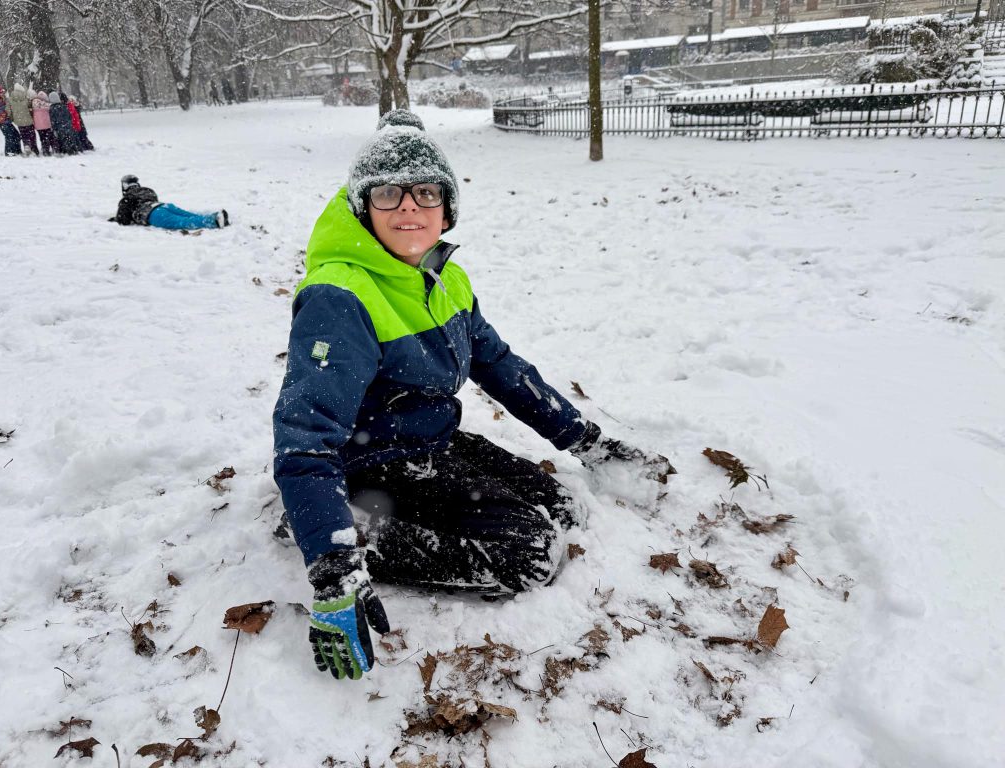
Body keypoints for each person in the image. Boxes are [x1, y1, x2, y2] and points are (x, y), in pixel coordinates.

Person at [272, 110, 674, 681]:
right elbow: (304, 436)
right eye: (387, 194)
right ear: (363, 207)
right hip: (368, 463)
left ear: (447, 207)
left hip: (429, 442)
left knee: (564, 507)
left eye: (426, 192)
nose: (409, 207)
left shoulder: (444, 278)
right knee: (532, 553)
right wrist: (333, 566)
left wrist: (586, 441)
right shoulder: (340, 296)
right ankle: (341, 529)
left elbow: (500, 366)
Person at [110, 174, 230, 231]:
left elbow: (123, 220)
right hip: (164, 206)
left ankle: (213, 221)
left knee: (182, 222)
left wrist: (116, 219)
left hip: (153, 214)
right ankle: (215, 216)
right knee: (189, 215)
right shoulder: (148, 190)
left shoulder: (127, 199)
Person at [0, 84, 21, 156]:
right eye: (1, 91)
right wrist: (4, 100)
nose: (2, 92)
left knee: (16, 135)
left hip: (6, 120)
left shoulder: (0, 97)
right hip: (2, 121)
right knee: (9, 136)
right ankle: (9, 152)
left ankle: (17, 150)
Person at [9, 84, 38, 155]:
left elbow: (9, 111)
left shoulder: (11, 99)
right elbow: (30, 107)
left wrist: (12, 118)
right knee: (32, 135)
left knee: (24, 135)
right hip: (28, 120)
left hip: (19, 121)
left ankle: (26, 145)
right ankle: (34, 149)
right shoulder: (25, 97)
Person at [31, 90, 58, 156]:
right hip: (47, 124)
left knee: (42, 138)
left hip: (38, 126)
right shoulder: (46, 105)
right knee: (51, 137)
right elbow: (51, 106)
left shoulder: (33, 104)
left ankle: (45, 150)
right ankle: (55, 149)